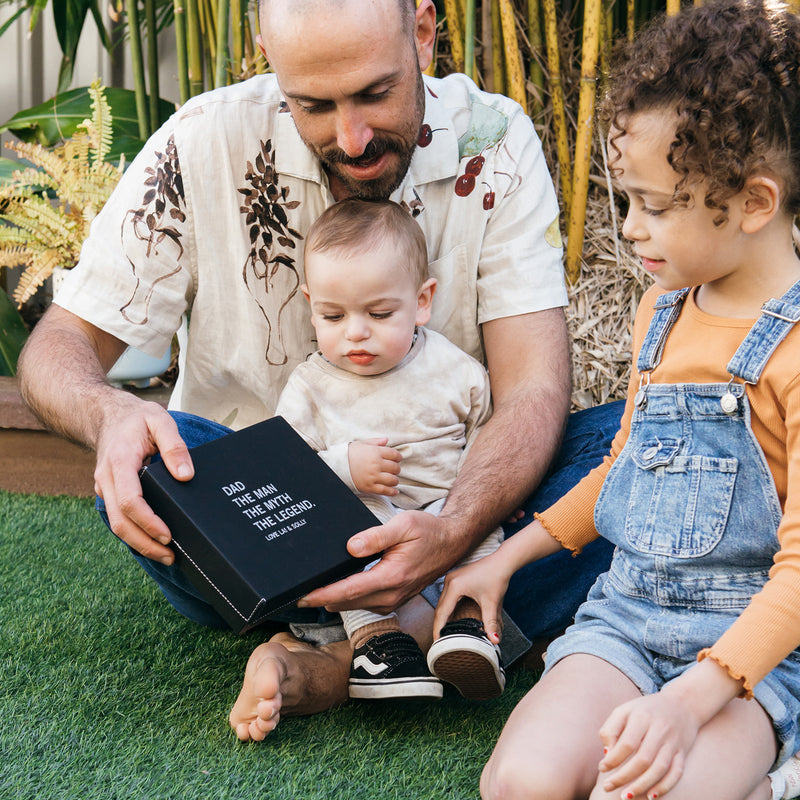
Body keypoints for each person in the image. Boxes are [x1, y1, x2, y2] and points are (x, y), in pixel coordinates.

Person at [17, 0, 619, 742]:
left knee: (640, 445)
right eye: (313, 104)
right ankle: (455, 627)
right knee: (161, 452)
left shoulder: (494, 143)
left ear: (424, 31)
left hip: (456, 509)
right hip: (261, 532)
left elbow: (532, 390)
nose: (352, 138)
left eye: (374, 92)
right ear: (267, 53)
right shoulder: (202, 139)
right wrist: (107, 415)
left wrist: (457, 527)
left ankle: (340, 661)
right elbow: (58, 345)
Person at [433, 1, 800, 798]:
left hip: (753, 658)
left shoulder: (795, 352)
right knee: (519, 784)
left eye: (657, 206)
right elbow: (629, 465)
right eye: (625, 199)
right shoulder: (661, 310)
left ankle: (772, 777)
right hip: (626, 620)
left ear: (754, 204)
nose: (629, 228)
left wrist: (687, 705)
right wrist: (505, 561)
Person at [276, 197, 505, 703]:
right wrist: (343, 466)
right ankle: (376, 644)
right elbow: (283, 475)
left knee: (485, 522)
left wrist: (465, 507)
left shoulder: (455, 369)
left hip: (447, 514)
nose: (355, 331)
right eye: (332, 315)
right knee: (341, 534)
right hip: (369, 527)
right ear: (310, 303)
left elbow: (487, 437)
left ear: (423, 301)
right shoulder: (311, 387)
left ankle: (466, 630)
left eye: (380, 313)